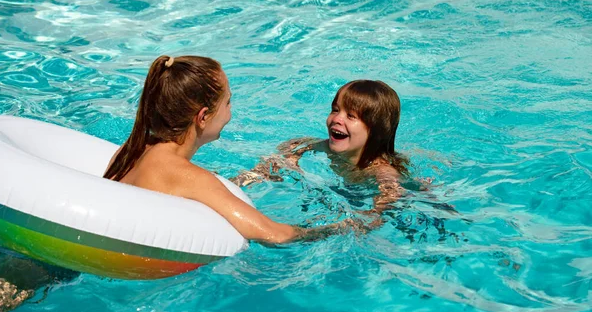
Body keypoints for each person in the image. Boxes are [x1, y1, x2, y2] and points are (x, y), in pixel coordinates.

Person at [104, 55, 357, 244]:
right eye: (227, 102)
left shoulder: (133, 148)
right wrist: (343, 227)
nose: (229, 113)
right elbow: (275, 235)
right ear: (203, 117)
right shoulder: (187, 176)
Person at [233, 80, 410, 219]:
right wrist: (283, 162)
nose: (337, 119)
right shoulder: (322, 147)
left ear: (376, 131)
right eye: (335, 110)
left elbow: (382, 211)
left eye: (350, 116)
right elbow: (292, 146)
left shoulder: (383, 173)